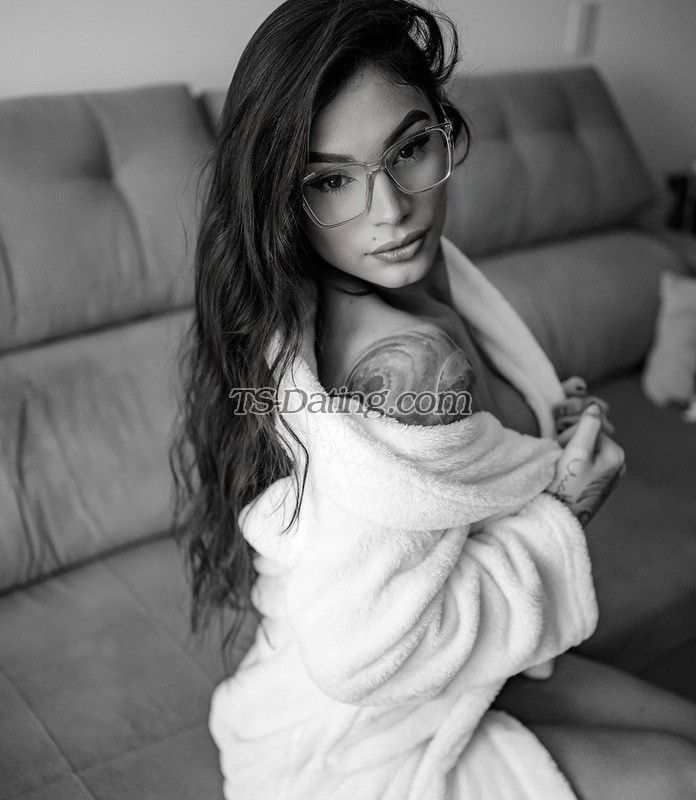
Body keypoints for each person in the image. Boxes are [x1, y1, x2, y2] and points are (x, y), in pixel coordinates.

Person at [170, 1, 696, 798]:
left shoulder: (426, 273)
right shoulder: (408, 368)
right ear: (283, 196)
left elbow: (454, 475)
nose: (390, 212)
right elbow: (360, 658)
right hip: (363, 738)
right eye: (330, 180)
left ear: (444, 130)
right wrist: (564, 510)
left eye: (409, 148)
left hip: (457, 677)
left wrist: (538, 432)